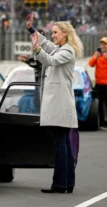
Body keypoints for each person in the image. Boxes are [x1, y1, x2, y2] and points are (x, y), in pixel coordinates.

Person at [26, 12, 83, 193]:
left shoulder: (67, 50)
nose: (53, 35)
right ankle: (67, 183)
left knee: (61, 145)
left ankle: (60, 184)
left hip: (60, 104)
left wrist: (37, 50)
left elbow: (50, 60)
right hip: (60, 104)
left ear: (65, 34)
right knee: (63, 143)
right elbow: (46, 44)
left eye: (56, 32)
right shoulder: (61, 48)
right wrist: (32, 30)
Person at [88, 37, 107, 129]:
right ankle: (102, 121)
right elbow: (90, 64)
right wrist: (95, 57)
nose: (103, 46)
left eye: (105, 44)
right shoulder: (98, 54)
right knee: (99, 103)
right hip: (99, 83)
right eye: (102, 44)